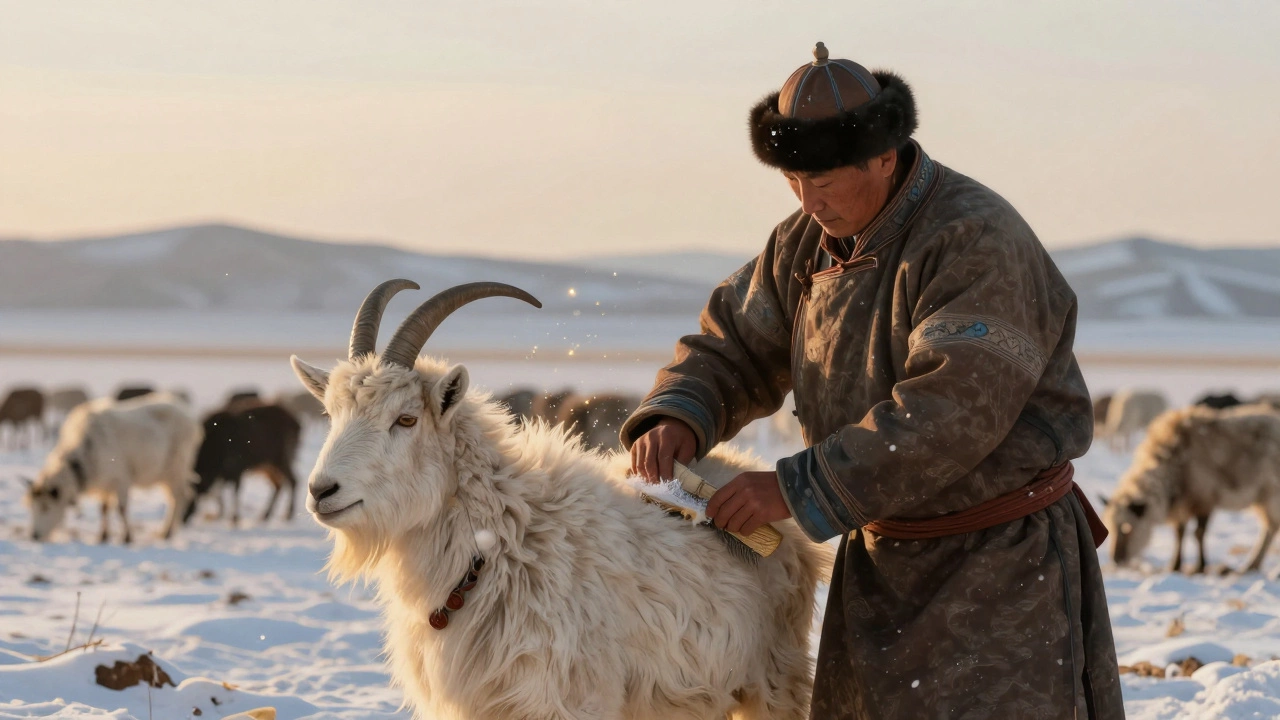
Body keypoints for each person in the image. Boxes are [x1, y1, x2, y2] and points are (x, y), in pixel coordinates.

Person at [622, 42, 1123, 719]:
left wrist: (794, 489)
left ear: (884, 156)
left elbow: (954, 408)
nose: (808, 201)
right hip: (880, 563)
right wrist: (679, 413)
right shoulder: (801, 244)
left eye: (823, 183)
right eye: (793, 181)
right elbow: (735, 342)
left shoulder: (975, 238)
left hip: (999, 571)